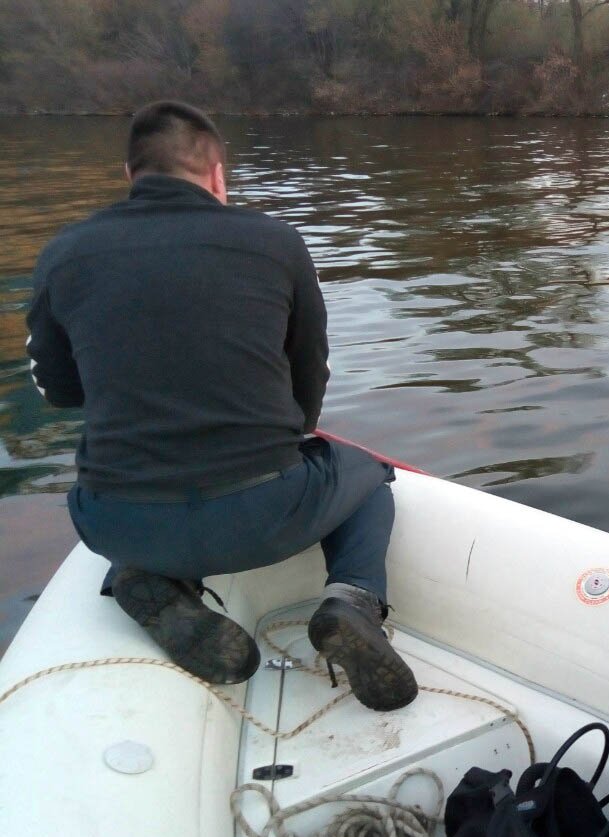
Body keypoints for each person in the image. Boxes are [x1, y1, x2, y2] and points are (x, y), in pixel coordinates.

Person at [25, 101, 417, 711]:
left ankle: (144, 578)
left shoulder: (64, 254)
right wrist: (295, 437)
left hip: (116, 518)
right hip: (265, 512)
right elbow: (308, 374)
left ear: (132, 178)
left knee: (128, 504)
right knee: (368, 475)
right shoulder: (276, 243)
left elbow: (58, 391)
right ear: (216, 177)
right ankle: (353, 602)